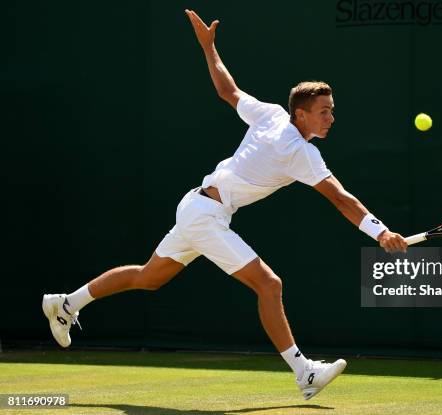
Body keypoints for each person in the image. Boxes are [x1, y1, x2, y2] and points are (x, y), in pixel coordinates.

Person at [42, 9, 408, 400]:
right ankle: (305, 373)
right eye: (324, 111)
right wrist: (380, 231)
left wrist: (209, 48)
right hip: (205, 216)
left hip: (198, 207)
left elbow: (227, 90)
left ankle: (65, 303)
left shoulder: (270, 115)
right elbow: (340, 197)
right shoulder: (299, 151)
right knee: (269, 284)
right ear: (300, 113)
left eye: (332, 109)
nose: (331, 117)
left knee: (148, 277)